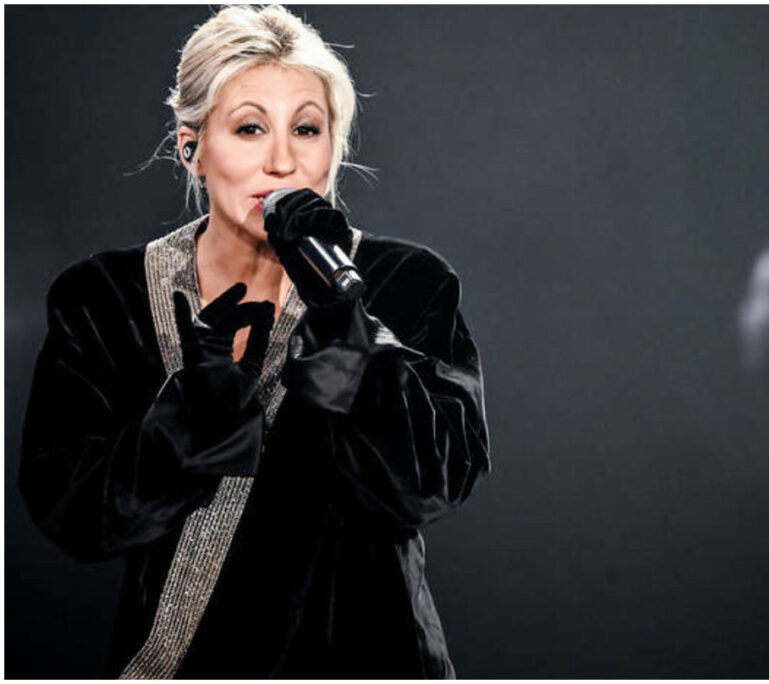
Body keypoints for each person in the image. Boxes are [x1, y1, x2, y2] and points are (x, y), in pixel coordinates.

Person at [19, 5, 489, 679]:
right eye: (249, 128)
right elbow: (73, 516)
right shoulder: (103, 298)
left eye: (307, 129)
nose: (283, 161)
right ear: (191, 147)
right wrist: (189, 422)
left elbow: (430, 487)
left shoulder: (405, 282)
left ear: (334, 148)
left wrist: (348, 330)